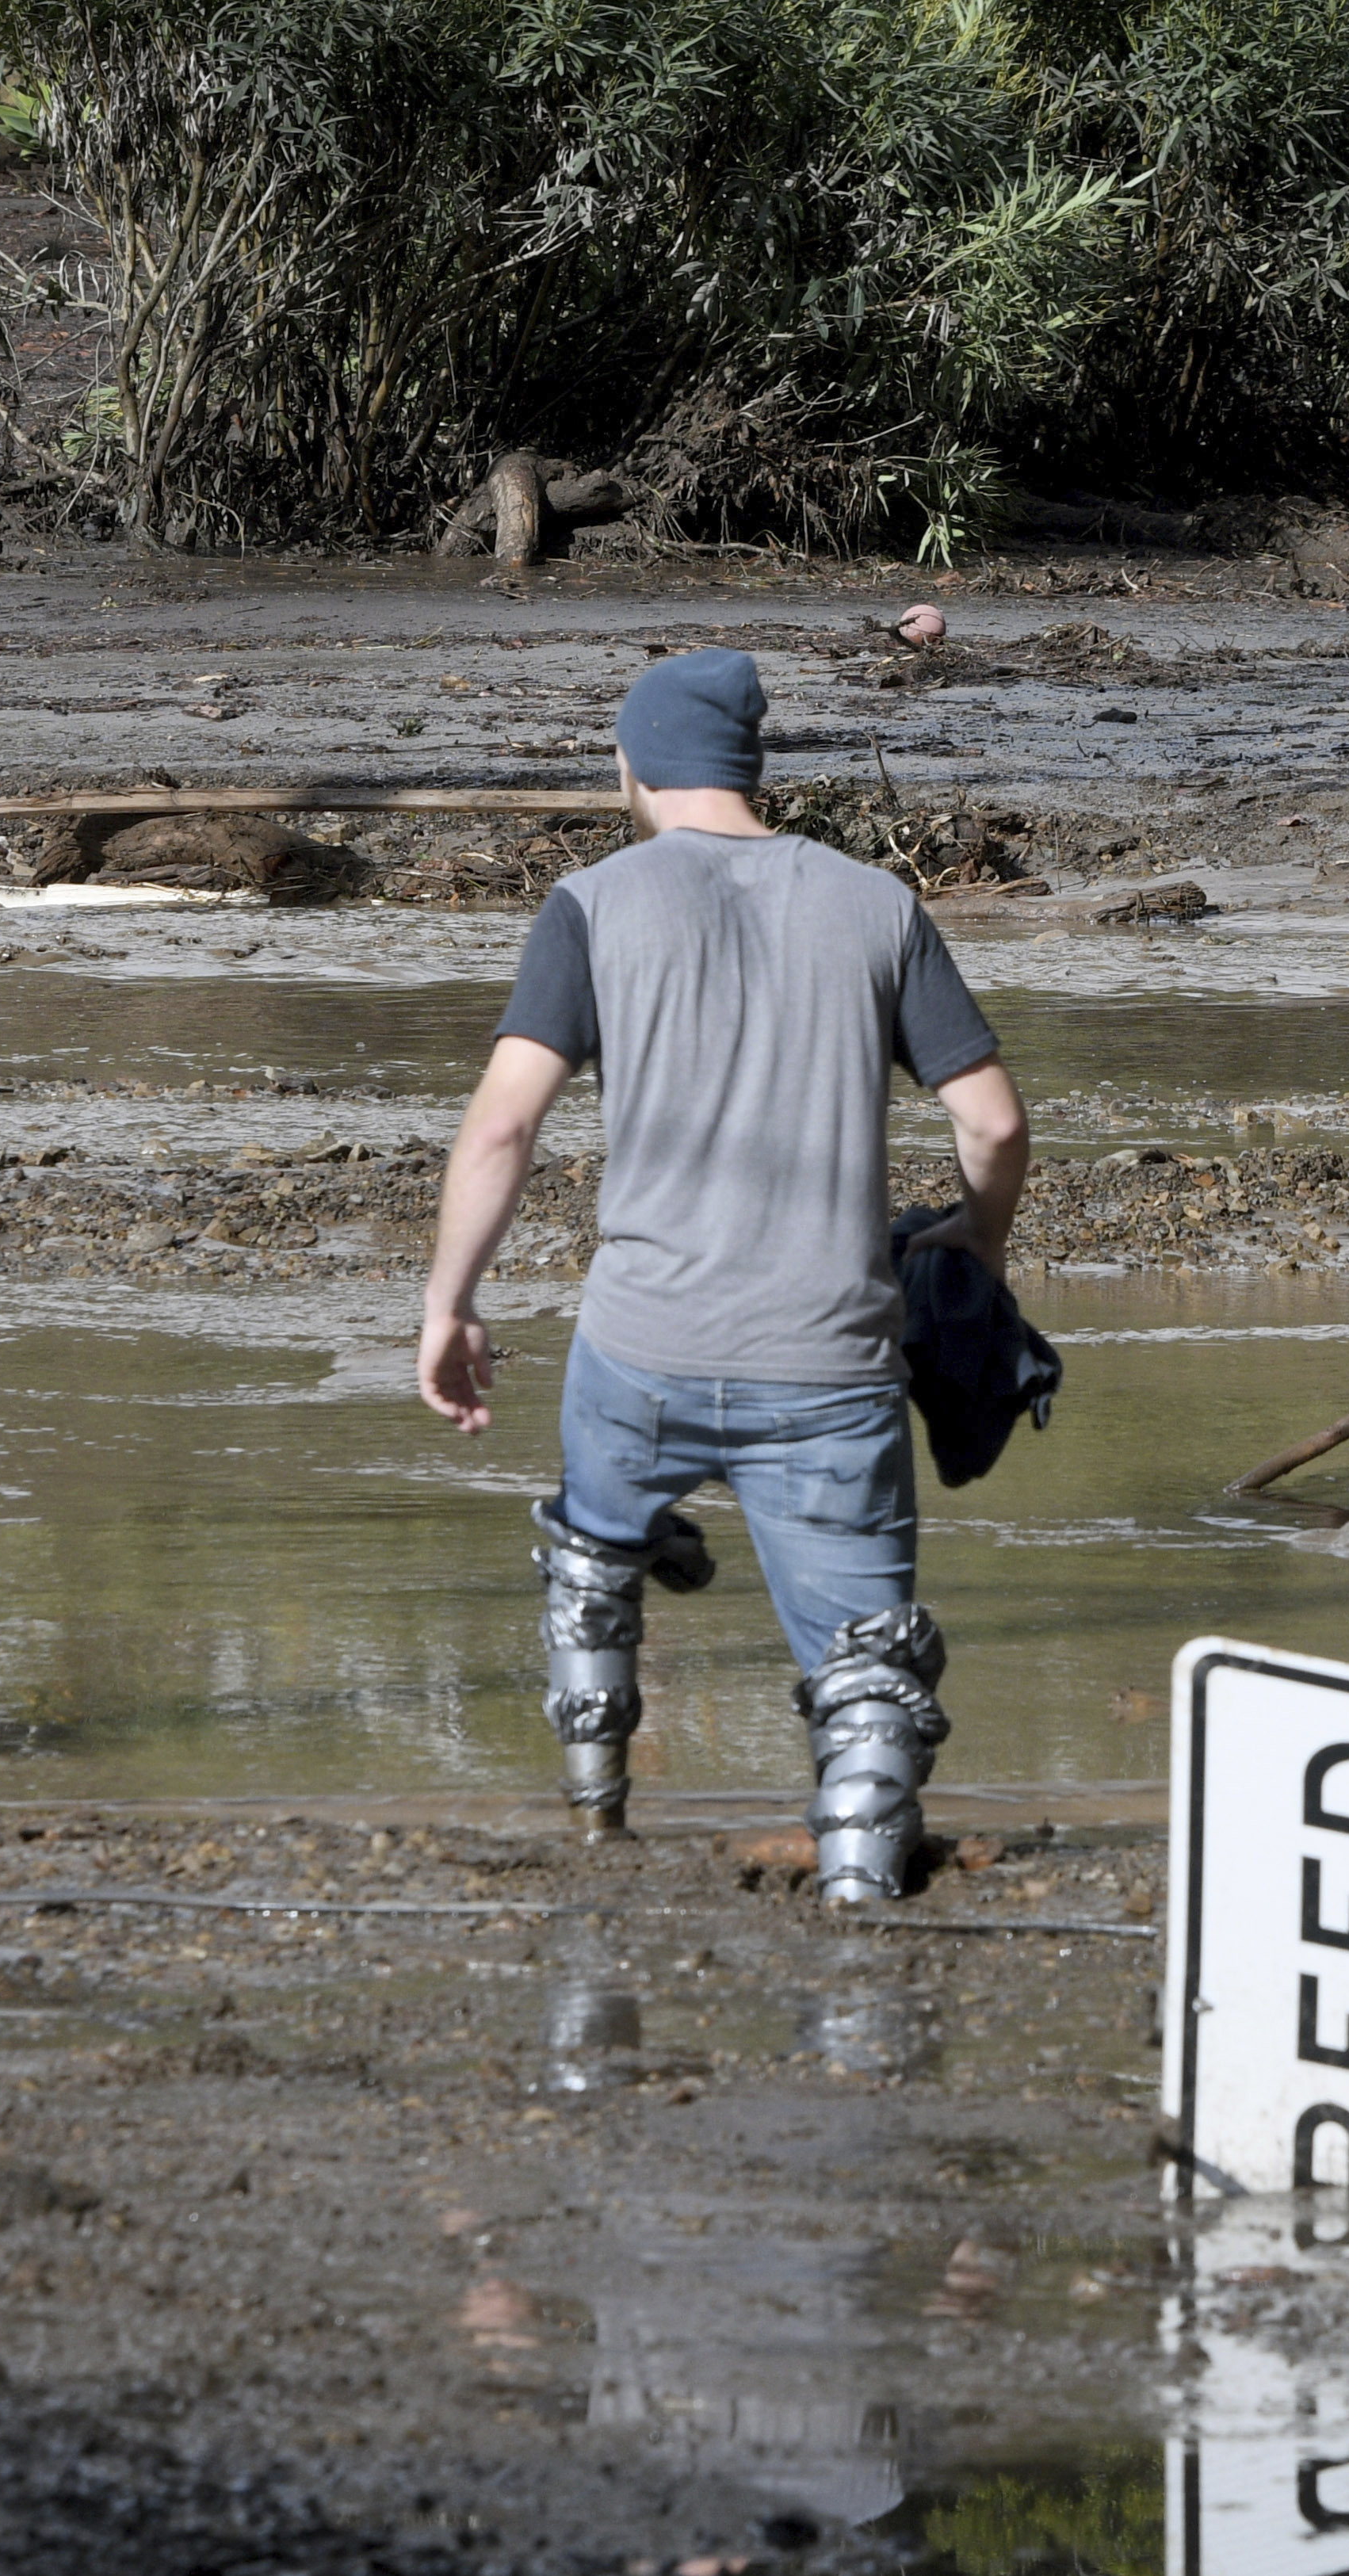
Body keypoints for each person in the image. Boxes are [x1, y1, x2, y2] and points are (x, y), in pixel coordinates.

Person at [414, 647, 1029, 1903]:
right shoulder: (877, 905)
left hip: (641, 1354)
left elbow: (501, 1128)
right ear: (751, 767)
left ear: (631, 765)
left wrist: (448, 1303)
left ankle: (598, 1824)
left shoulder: (593, 901)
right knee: (868, 1669)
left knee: (590, 1557)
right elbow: (996, 1124)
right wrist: (978, 1236)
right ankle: (864, 1911)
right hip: (832, 1366)